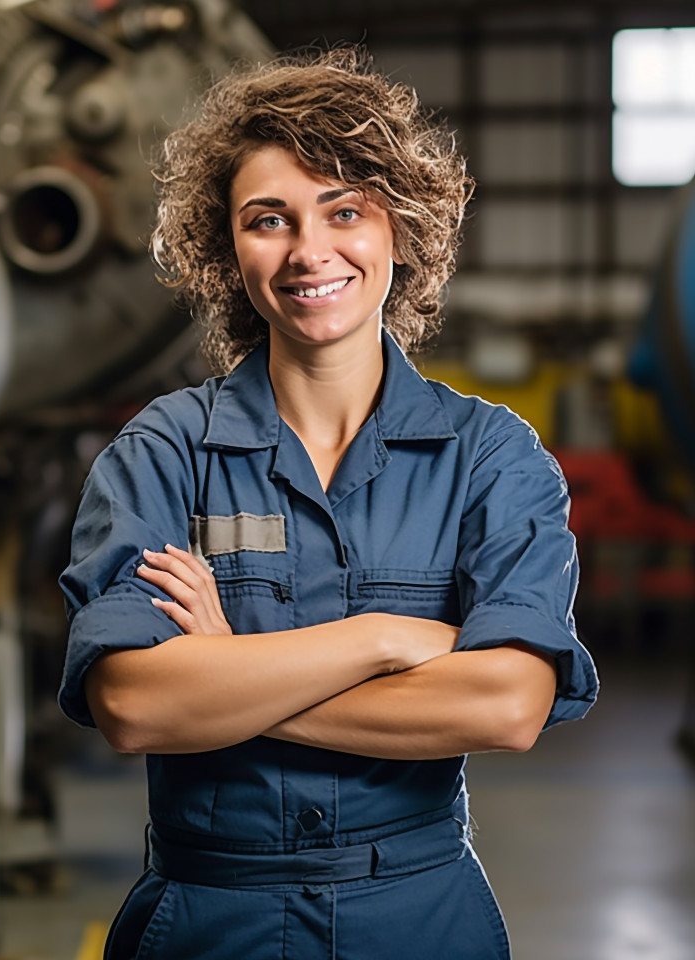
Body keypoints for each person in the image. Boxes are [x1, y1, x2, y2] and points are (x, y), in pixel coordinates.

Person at [58, 46, 598, 960]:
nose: (310, 251)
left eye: (343, 210)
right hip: (208, 919)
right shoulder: (163, 453)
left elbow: (508, 703)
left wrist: (228, 669)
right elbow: (136, 705)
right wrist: (383, 641)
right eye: (269, 220)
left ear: (401, 227)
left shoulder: (492, 459)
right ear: (227, 248)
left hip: (422, 919)